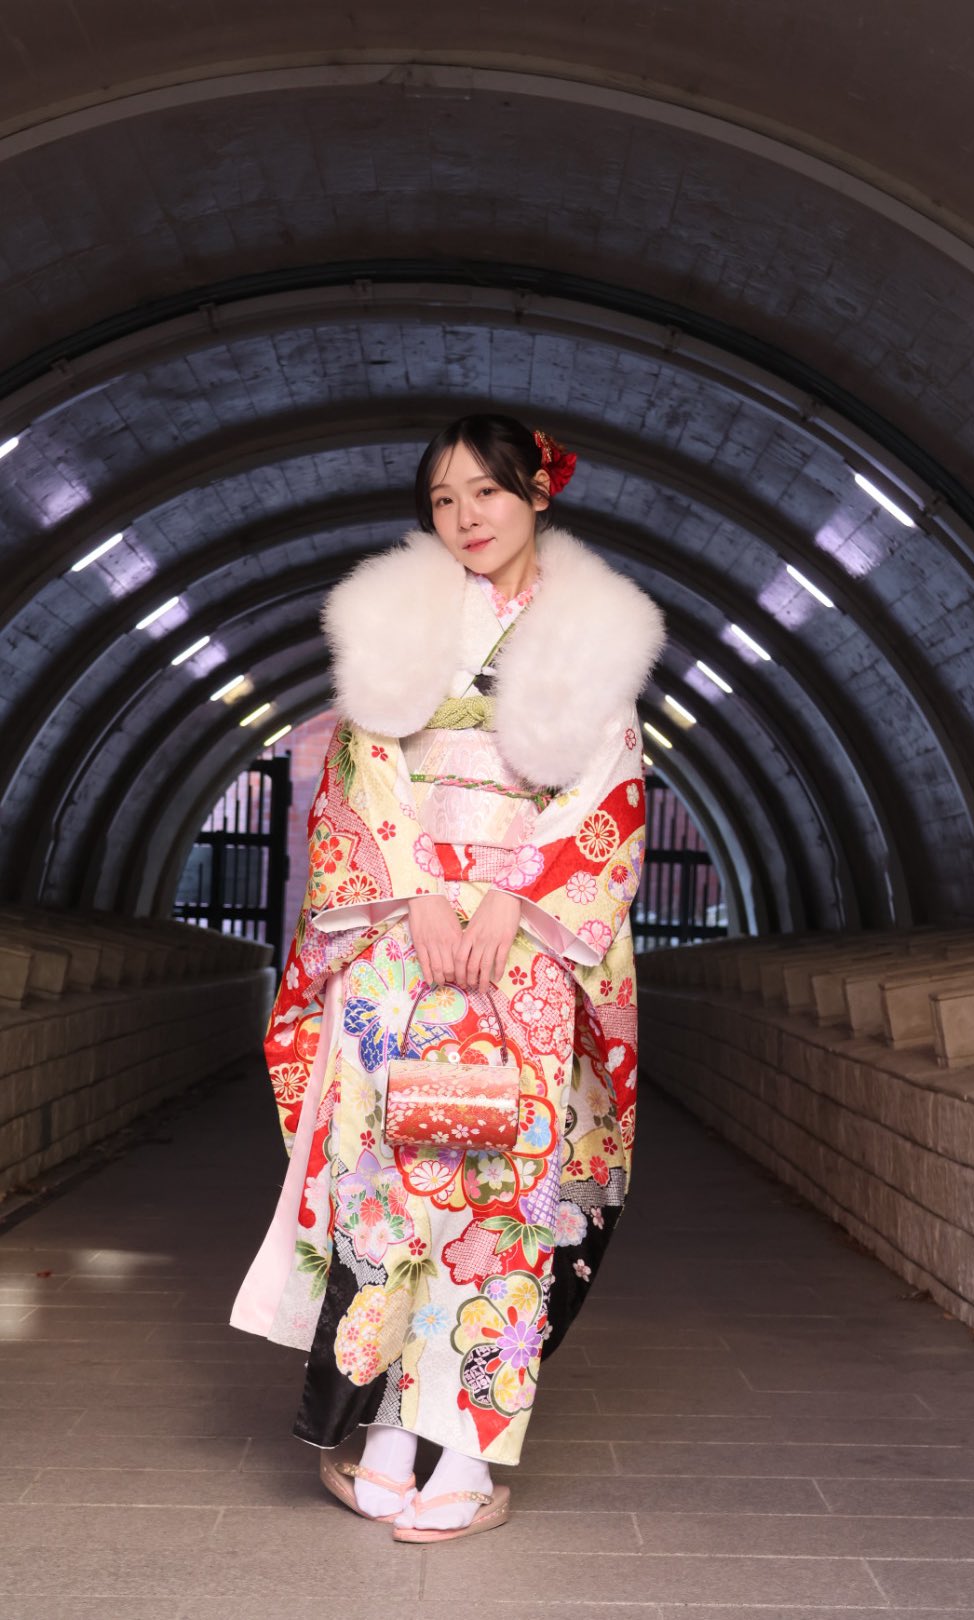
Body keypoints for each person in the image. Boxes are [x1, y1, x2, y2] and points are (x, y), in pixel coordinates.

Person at [231, 412, 665, 1543]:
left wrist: (514, 899)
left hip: (525, 949)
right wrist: (419, 893)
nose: (466, 516)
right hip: (401, 940)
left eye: (488, 491)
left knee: (504, 1199)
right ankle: (389, 1451)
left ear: (539, 495)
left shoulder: (594, 634)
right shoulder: (397, 622)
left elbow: (610, 795)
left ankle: (461, 1459)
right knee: (387, 1192)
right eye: (443, 498)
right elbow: (360, 782)